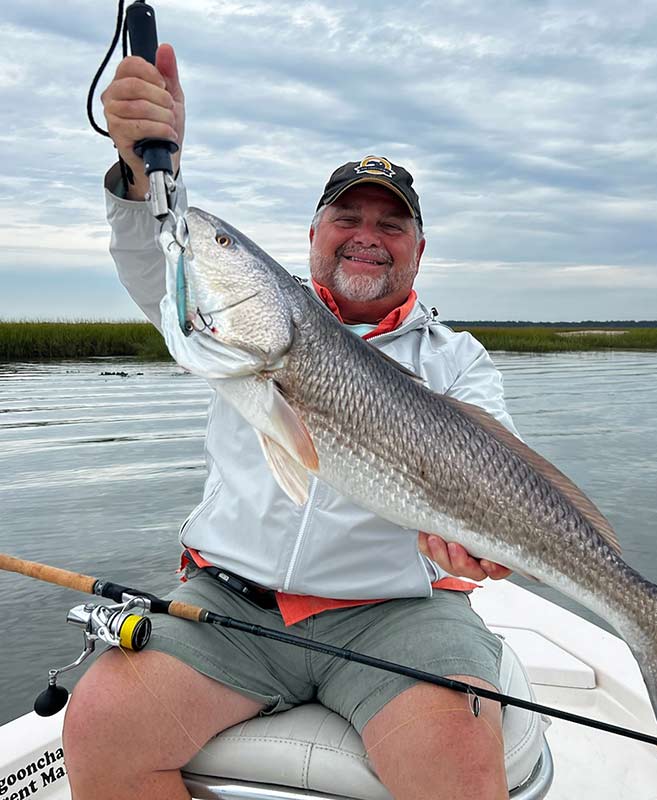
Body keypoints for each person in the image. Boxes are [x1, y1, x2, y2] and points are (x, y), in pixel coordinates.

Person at [63, 44, 520, 800]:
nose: (367, 232)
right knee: (101, 720)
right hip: (229, 606)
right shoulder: (223, 328)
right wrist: (143, 168)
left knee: (459, 759)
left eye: (391, 223)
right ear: (312, 237)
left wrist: (480, 549)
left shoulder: (459, 361)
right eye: (347, 215)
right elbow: (162, 255)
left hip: (396, 615)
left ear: (420, 250)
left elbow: (507, 476)